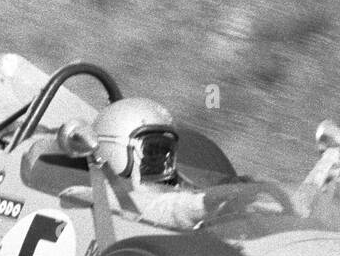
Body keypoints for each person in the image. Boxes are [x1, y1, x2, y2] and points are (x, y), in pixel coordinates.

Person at [88, 97, 286, 229]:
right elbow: (163, 209)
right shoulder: (97, 198)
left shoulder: (166, 189)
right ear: (113, 148)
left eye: (168, 150)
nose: (164, 159)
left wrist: (244, 193)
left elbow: (181, 198)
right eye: (154, 150)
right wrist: (205, 202)